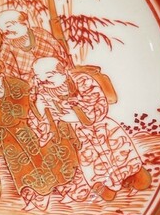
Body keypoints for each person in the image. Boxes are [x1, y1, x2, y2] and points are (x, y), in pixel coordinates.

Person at [32, 57, 151, 201]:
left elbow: (97, 102)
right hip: (77, 134)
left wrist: (77, 114)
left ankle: (133, 174)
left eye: (49, 76)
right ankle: (103, 184)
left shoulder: (82, 80)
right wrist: (40, 108)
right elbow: (43, 120)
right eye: (38, 77)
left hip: (99, 125)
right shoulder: (43, 93)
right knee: (89, 159)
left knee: (117, 148)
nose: (44, 81)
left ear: (63, 71)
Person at [0, 59, 82, 210]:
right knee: (22, 166)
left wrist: (39, 127)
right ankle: (37, 197)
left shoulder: (19, 86)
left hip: (34, 128)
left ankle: (65, 188)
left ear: (0, 74)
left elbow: (34, 108)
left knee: (51, 155)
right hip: (9, 139)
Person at [0, 9, 71, 79]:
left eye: (8, 26)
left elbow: (60, 52)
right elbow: (10, 73)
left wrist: (65, 71)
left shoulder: (40, 33)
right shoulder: (7, 47)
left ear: (25, 23)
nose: (4, 31)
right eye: (0, 29)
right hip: (31, 83)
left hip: (58, 77)